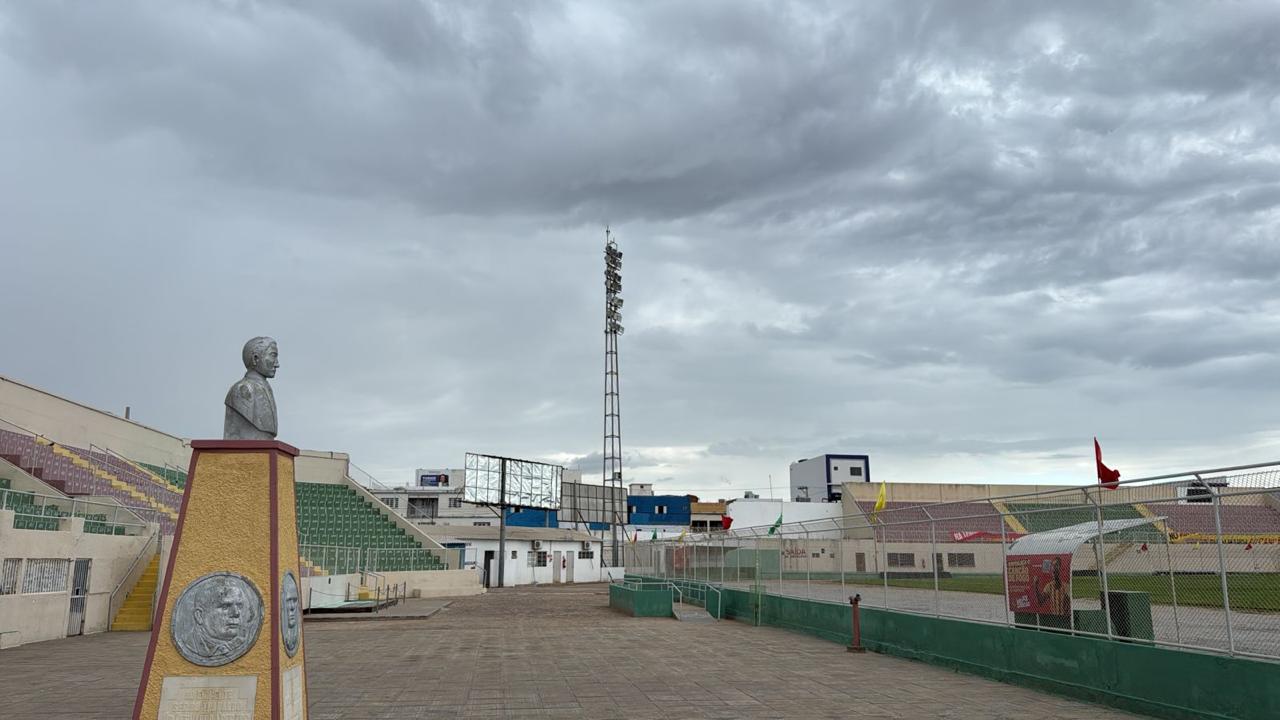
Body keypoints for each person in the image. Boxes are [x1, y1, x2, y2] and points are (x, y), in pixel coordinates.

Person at [224, 336, 280, 440]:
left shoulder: (265, 389)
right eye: (273, 356)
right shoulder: (242, 389)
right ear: (255, 358)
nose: (277, 364)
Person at [189, 577, 249, 661]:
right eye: (225, 607)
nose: (236, 613)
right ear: (199, 616)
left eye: (239, 606)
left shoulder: (244, 641)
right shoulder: (189, 644)